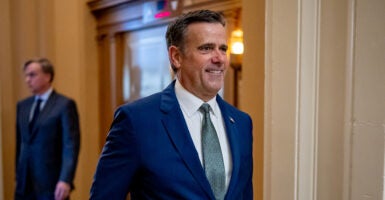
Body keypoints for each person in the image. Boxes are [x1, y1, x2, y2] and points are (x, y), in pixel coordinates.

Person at [90, 9, 253, 200]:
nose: (219, 59)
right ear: (176, 57)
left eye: (223, 49)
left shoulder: (242, 123)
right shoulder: (136, 121)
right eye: (206, 48)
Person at [15, 58, 81, 200]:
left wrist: (65, 179)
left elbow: (70, 145)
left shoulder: (64, 105)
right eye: (26, 75)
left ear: (47, 76)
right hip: (24, 183)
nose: (27, 80)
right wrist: (17, 175)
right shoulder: (23, 106)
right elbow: (19, 144)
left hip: (51, 183)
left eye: (32, 75)